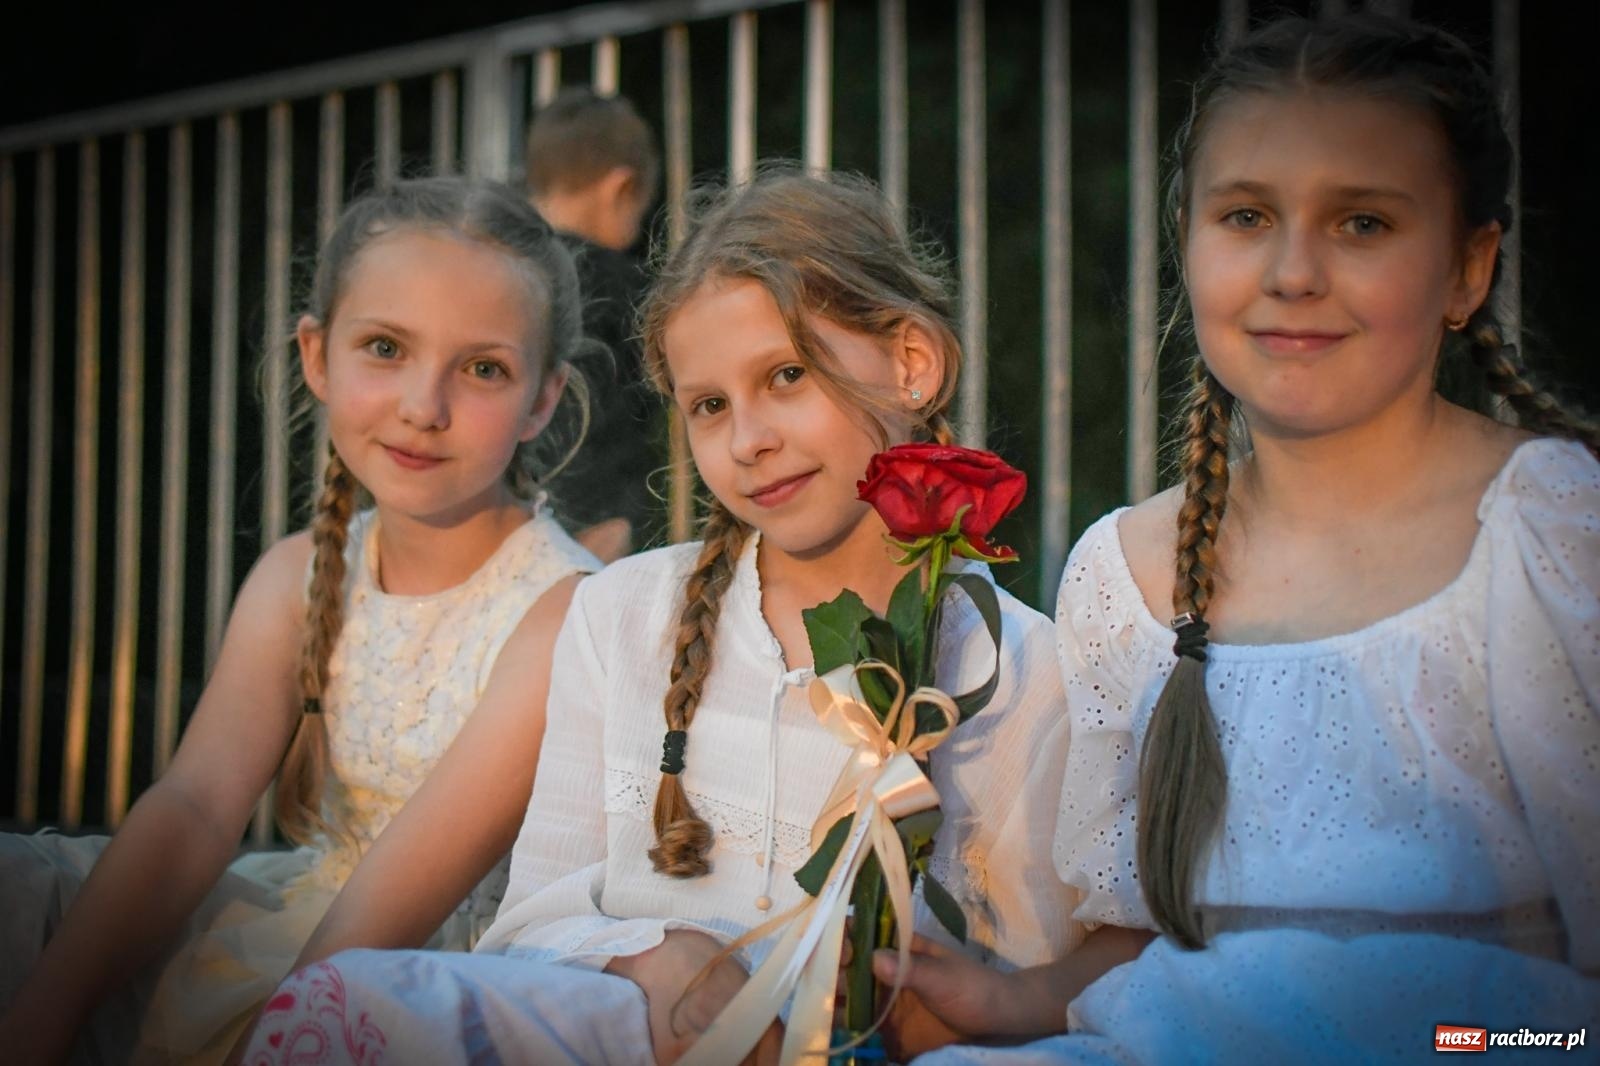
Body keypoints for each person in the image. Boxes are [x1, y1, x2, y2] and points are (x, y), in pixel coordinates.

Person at [868, 13, 1600, 1063]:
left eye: (1362, 224)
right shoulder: (1125, 571)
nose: (1292, 271)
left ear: (1466, 269)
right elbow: (1134, 945)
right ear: (1186, 242)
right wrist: (1014, 1002)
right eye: (1248, 215)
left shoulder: (1548, 531)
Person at [240, 168, 1084, 1065]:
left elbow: (1032, 972)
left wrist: (914, 1002)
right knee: (360, 999)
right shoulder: (623, 617)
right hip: (623, 1039)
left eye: (787, 375)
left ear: (911, 362)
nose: (748, 439)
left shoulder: (1022, 669)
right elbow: (533, 917)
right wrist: (652, 958)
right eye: (710, 406)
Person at [0, 177, 600, 1064]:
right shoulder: (298, 574)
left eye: (483, 369)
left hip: (431, 982)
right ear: (317, 355)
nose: (422, 407)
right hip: (294, 923)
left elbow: (391, 913)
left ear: (542, 401)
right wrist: (40, 1019)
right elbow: (198, 806)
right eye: (386, 348)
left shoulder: (567, 611)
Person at [528, 87, 663, 561]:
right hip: (593, 526)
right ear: (621, 189)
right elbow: (604, 423)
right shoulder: (613, 281)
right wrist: (612, 518)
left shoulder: (500, 273)